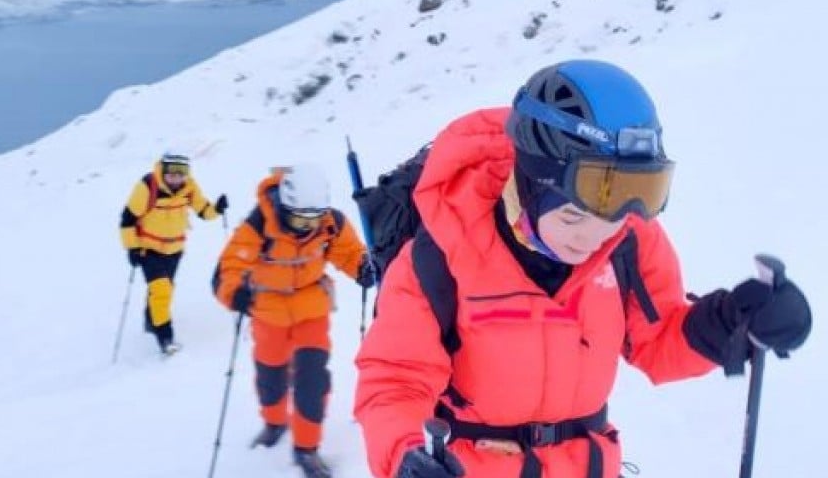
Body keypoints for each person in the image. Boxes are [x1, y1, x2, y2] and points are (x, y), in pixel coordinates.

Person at [354, 60, 812, 478]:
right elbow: (394, 379)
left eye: (611, 219)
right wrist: (404, 454)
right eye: (572, 216)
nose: (591, 238)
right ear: (530, 188)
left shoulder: (628, 243)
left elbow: (658, 340)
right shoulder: (441, 254)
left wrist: (735, 321)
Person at [214, 163, 374, 478]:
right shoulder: (260, 223)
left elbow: (348, 253)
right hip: (268, 309)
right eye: (300, 219)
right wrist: (235, 293)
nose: (306, 227)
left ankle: (307, 448)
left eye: (313, 219)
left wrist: (362, 268)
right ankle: (273, 423)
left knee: (312, 381)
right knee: (270, 375)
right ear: (285, 206)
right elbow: (229, 267)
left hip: (311, 308)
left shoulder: (330, 223)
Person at [120, 150, 227, 355]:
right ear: (163, 170)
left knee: (164, 289)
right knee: (162, 291)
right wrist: (132, 248)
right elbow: (127, 219)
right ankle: (165, 338)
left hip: (175, 249)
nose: (177, 178)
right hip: (148, 249)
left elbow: (203, 211)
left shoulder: (189, 187)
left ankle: (151, 322)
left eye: (182, 173)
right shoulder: (147, 186)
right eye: (172, 173)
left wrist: (218, 209)